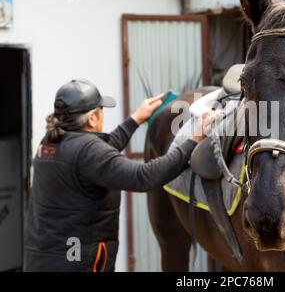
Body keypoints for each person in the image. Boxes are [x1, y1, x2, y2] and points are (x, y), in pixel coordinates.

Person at [24, 79, 215, 272]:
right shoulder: (88, 152)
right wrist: (193, 140)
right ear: (92, 118)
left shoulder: (49, 143)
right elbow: (144, 176)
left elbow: (97, 158)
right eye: (101, 111)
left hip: (42, 259)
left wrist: (135, 120)